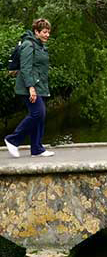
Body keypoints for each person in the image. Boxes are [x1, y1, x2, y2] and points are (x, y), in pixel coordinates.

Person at [4, 18, 55, 158]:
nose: (47, 35)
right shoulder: (28, 45)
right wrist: (31, 88)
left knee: (41, 115)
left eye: (48, 32)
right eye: (44, 32)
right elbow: (26, 68)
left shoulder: (40, 46)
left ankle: (37, 148)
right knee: (37, 113)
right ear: (36, 32)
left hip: (40, 86)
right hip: (29, 87)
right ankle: (12, 140)